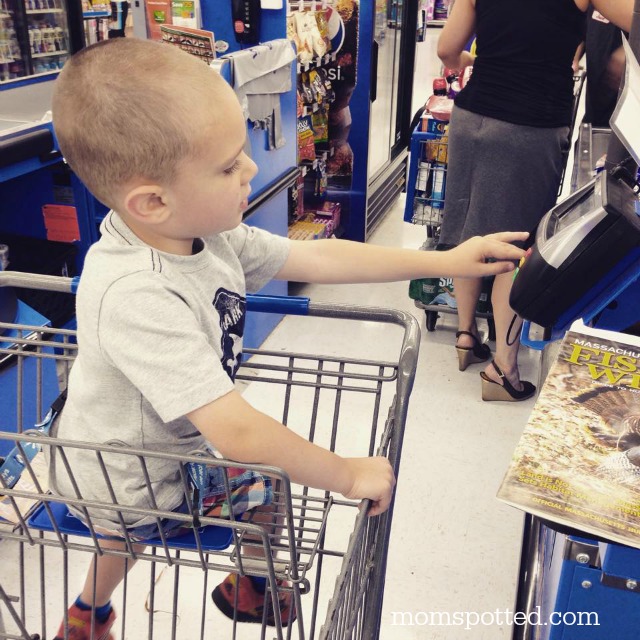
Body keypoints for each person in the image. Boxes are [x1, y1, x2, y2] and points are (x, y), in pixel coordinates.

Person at [48, 37, 528, 640]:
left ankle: (93, 616)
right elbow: (238, 432)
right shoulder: (137, 292)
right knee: (254, 484)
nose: (251, 169)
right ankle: (249, 586)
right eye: (228, 166)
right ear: (152, 201)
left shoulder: (202, 233)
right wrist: (347, 475)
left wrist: (448, 259)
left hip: (148, 453)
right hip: (128, 478)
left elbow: (321, 258)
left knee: (132, 535)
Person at [436, 0, 632, 402]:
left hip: (470, 118)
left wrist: (480, 59)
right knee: (514, 242)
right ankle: (504, 368)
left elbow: (446, 51)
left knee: (470, 229)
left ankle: (466, 333)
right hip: (529, 126)